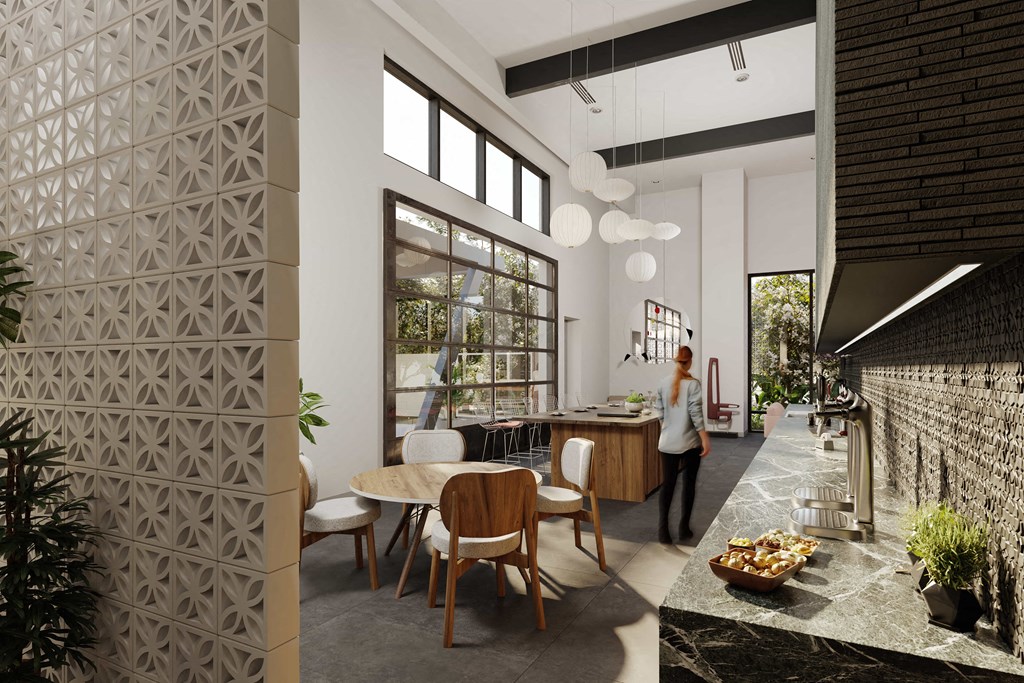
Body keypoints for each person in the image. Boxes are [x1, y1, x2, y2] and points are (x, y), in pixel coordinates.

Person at [654, 345, 711, 544]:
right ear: (690, 361)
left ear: (676, 361)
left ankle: (663, 531)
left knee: (667, 485)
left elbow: (659, 413)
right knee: (688, 484)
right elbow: (695, 414)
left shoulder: (662, 383)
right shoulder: (694, 384)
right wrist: (704, 438)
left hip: (667, 442)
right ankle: (684, 528)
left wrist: (667, 429)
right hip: (689, 443)